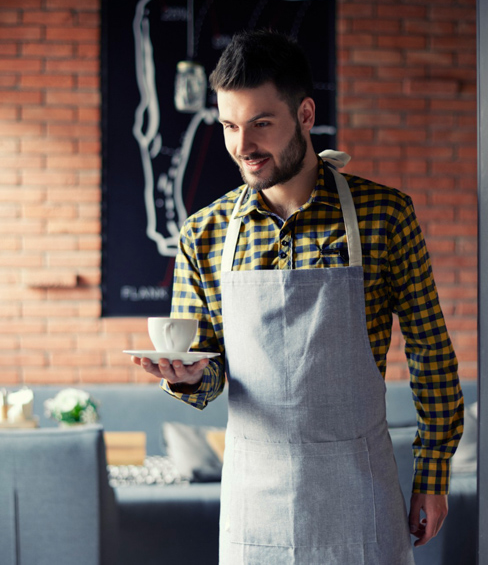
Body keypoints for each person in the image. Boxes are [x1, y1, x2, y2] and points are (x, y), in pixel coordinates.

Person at [131, 29, 464, 564]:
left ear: (306, 115)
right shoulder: (204, 233)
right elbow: (208, 372)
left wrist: (433, 473)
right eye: (230, 126)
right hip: (253, 502)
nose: (243, 147)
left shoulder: (385, 215)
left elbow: (430, 352)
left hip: (360, 494)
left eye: (261, 123)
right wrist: (188, 377)